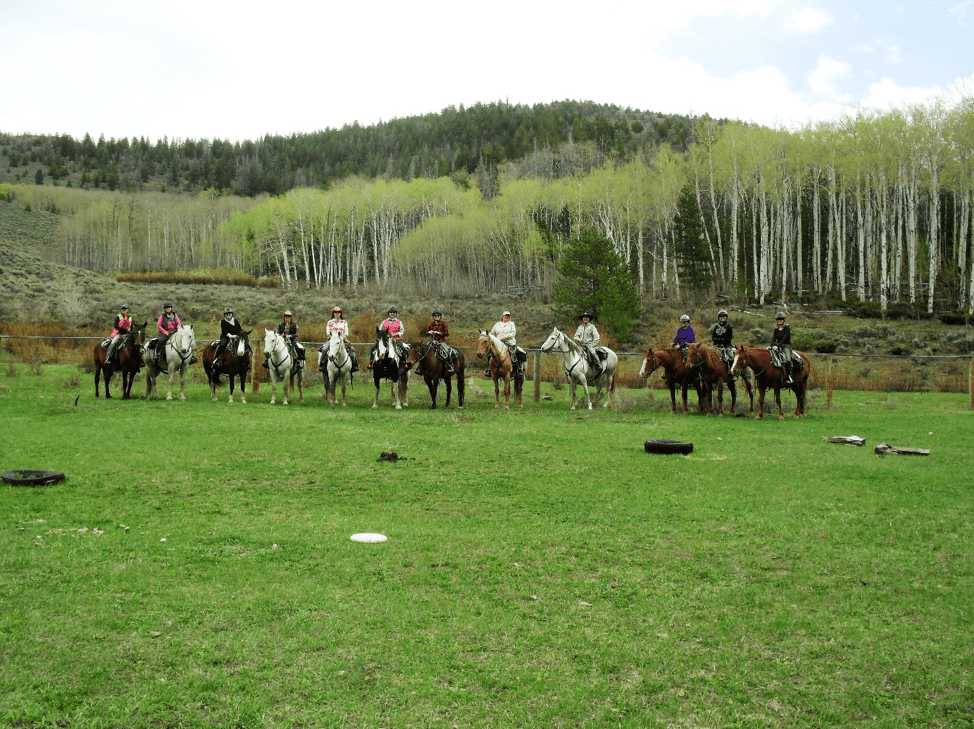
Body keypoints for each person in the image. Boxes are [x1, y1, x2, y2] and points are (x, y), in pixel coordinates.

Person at [486, 310, 525, 377]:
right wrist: (488, 337)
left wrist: (504, 337)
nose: (506, 317)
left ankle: (519, 368)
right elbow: (492, 333)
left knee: (515, 352)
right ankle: (490, 369)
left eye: (508, 316)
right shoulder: (497, 324)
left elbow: (513, 333)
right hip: (498, 343)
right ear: (502, 317)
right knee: (490, 353)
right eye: (505, 316)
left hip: (509, 342)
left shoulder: (511, 324)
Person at [153, 300, 192, 367]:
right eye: (166, 308)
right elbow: (159, 326)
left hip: (174, 332)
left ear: (171, 308)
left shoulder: (174, 315)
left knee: (183, 339)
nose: (168, 309)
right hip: (164, 333)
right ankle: (157, 354)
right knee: (160, 340)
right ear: (164, 309)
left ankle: (188, 357)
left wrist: (178, 328)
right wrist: (166, 333)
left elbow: (178, 322)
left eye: (169, 308)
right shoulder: (162, 316)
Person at [326, 306, 359, 373]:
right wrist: (331, 337)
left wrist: (344, 337)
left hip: (342, 341)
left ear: (340, 313)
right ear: (333, 313)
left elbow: (346, 332)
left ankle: (354, 366)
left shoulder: (344, 322)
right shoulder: (330, 322)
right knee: (324, 349)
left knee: (352, 350)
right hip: (332, 340)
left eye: (338, 312)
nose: (337, 313)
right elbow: (327, 332)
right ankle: (322, 366)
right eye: (335, 312)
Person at [425, 308, 457, 376]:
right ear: (433, 317)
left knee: (447, 351)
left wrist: (438, 333)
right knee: (424, 350)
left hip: (441, 341)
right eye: (435, 316)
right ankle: (421, 368)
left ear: (440, 316)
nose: (437, 317)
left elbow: (446, 333)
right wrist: (429, 332)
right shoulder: (430, 324)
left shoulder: (443, 324)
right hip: (432, 341)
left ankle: (450, 366)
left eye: (438, 316)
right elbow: (426, 333)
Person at [573, 311, 602, 377]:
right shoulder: (580, 327)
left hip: (589, 344)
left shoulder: (592, 327)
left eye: (587, 318)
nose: (585, 319)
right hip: (580, 345)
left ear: (589, 319)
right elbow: (575, 336)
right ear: (582, 319)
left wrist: (592, 344)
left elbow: (597, 337)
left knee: (593, 353)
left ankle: (599, 365)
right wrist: (579, 339)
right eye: (584, 317)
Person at [770, 311, 796, 384]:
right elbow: (773, 339)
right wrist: (771, 346)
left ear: (783, 320)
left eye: (781, 320)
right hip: (777, 347)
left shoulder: (787, 328)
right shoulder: (776, 330)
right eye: (779, 320)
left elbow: (784, 338)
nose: (780, 321)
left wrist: (777, 346)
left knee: (787, 360)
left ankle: (789, 376)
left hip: (786, 347)